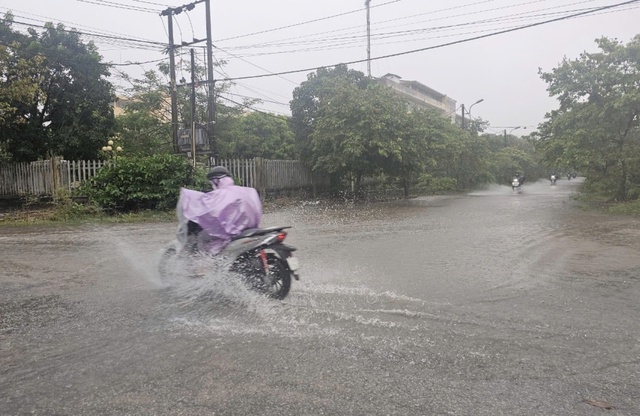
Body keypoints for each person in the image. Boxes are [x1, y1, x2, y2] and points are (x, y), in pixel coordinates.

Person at [177, 166, 262, 255]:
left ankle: (205, 264)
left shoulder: (220, 194)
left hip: (231, 231)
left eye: (211, 182)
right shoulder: (246, 190)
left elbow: (213, 211)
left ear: (216, 181)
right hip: (249, 229)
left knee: (202, 237)